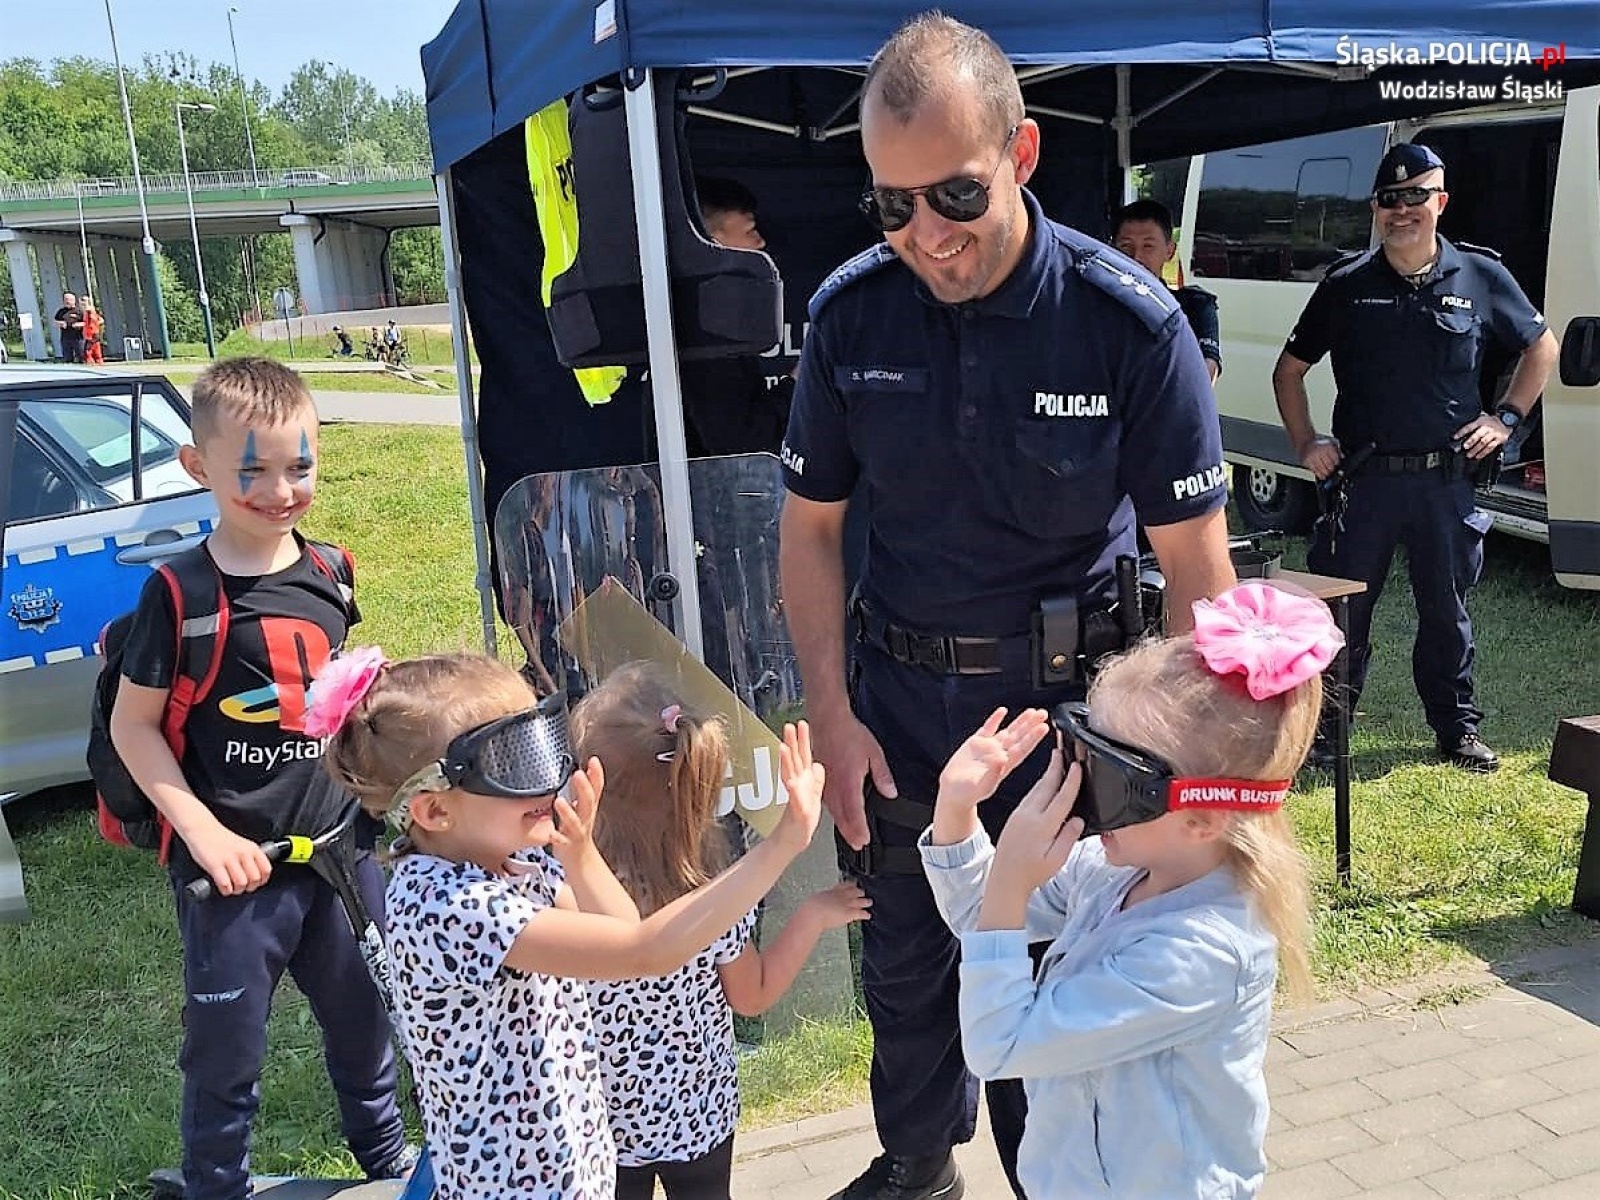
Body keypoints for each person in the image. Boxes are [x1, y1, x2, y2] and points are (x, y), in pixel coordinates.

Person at [777, 14, 1235, 1199]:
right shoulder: (849, 317)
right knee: (907, 970)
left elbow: (1199, 574)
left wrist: (1203, 787)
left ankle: (1052, 1182)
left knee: (1051, 978)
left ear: (1022, 156)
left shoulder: (1127, 322)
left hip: (1062, 728)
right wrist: (829, 713)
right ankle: (917, 1167)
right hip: (900, 713)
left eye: (955, 197)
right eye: (891, 205)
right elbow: (810, 531)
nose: (925, 234)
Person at [316, 651, 831, 1200]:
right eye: (512, 762)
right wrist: (781, 845)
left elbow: (618, 928)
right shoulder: (449, 903)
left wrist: (580, 855)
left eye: (541, 742)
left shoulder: (513, 858)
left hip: (572, 1174)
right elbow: (643, 951)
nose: (547, 779)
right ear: (436, 812)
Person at [108, 358, 412, 1199]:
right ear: (198, 468)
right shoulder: (181, 594)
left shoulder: (332, 573)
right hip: (233, 877)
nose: (281, 490)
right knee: (226, 1046)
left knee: (365, 1025)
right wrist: (205, 836)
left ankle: (389, 1166)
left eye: (300, 467)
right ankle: (213, 1182)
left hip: (341, 862)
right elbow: (132, 726)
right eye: (254, 472)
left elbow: (339, 705)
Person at [921, 581, 1330, 1198]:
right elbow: (984, 919)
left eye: (1109, 779)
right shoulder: (1115, 868)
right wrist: (957, 813)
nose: (1080, 793)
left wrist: (1011, 875)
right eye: (1082, 749)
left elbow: (998, 1046)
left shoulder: (1200, 953)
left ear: (1201, 817)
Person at [1272, 143, 1559, 772]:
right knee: (1342, 610)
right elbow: (1289, 371)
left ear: (1441, 203)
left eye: (1415, 197)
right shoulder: (1346, 286)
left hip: (1443, 483)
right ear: (1376, 209)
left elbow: (1542, 346)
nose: (1402, 210)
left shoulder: (1480, 276)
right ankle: (1326, 730)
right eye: (1389, 200)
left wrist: (1505, 418)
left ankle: (1456, 729)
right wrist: (1306, 443)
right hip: (1363, 482)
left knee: (1446, 612)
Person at [571, 661, 871, 1199]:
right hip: (699, 1114)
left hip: (597, 1129)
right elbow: (751, 996)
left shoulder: (561, 889)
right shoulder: (713, 896)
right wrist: (812, 914)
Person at [676, 175, 794, 457]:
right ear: (715, 245)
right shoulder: (705, 334)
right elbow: (743, 442)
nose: (761, 243)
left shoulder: (709, 319)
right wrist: (798, 383)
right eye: (750, 231)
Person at [1111, 199, 1222, 383]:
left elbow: (1205, 374)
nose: (1136, 257)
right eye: (1126, 246)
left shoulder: (1195, 306)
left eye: (1148, 246)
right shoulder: (1097, 305)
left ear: (1169, 251)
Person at [54, 291, 84, 362]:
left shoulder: (80, 311)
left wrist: (80, 324)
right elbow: (55, 322)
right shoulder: (61, 311)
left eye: (69, 299)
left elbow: (88, 322)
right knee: (67, 358)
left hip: (78, 338)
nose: (67, 301)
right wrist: (60, 323)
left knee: (82, 357)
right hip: (65, 338)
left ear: (74, 300)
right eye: (65, 299)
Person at [81, 298, 105, 364]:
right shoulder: (86, 312)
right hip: (90, 332)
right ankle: (97, 360)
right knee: (94, 346)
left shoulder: (90, 310)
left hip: (92, 332)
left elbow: (100, 320)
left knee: (89, 348)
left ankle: (93, 360)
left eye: (84, 301)